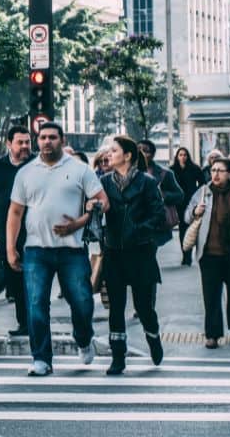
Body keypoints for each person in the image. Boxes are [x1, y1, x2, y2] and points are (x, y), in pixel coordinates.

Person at [6, 122, 109, 376]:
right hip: (36, 251)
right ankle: (41, 358)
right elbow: (15, 212)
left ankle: (84, 339)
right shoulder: (26, 173)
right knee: (36, 304)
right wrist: (10, 247)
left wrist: (80, 222)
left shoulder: (80, 169)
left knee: (83, 302)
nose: (47, 141)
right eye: (42, 137)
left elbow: (103, 202)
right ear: (37, 141)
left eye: (53, 137)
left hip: (71, 250)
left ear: (62, 140)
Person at [96, 136, 166, 375]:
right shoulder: (103, 182)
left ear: (127, 155)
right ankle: (118, 356)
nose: (109, 154)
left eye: (114, 150)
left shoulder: (147, 182)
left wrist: (138, 230)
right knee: (116, 306)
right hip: (114, 251)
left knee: (144, 306)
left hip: (141, 251)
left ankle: (153, 337)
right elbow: (97, 211)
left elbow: (158, 215)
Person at [185, 157, 230, 349]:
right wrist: (195, 212)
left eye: (220, 170)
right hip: (209, 254)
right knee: (211, 296)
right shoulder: (203, 192)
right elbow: (186, 215)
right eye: (213, 170)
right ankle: (212, 334)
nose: (215, 174)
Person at [0, 126, 33, 336]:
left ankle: (35, 323)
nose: (24, 146)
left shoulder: (36, 165)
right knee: (16, 281)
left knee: (35, 282)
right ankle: (24, 323)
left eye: (27, 142)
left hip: (34, 232)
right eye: (20, 142)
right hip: (7, 234)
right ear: (9, 144)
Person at [137, 139, 184, 247]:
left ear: (152, 155)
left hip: (156, 223)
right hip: (135, 223)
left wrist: (164, 195)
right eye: (138, 150)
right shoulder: (128, 172)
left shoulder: (165, 173)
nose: (142, 153)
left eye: (145, 150)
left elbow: (179, 195)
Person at [170, 147, 205, 266]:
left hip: (191, 201)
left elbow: (202, 183)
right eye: (180, 155)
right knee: (182, 229)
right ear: (177, 156)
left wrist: (197, 194)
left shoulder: (194, 168)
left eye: (185, 155)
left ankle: (191, 254)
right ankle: (185, 255)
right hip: (178, 202)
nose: (183, 157)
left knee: (192, 227)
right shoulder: (172, 169)